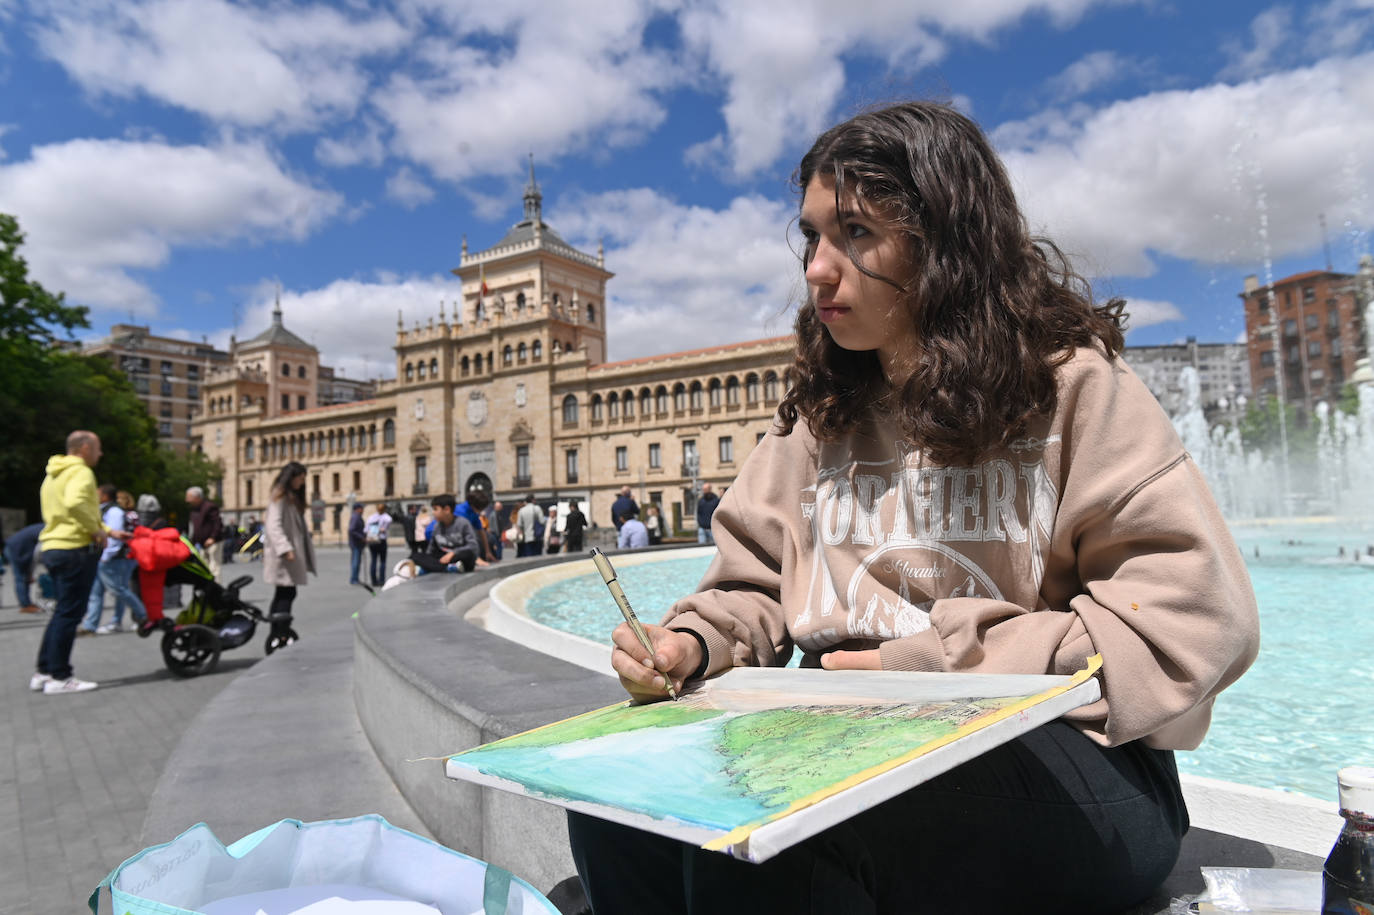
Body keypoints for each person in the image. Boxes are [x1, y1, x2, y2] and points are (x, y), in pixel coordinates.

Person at [570, 102, 1260, 914]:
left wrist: (943, 661)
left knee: (792, 824)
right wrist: (691, 640)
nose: (818, 269)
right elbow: (754, 587)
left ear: (946, 242)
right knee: (619, 806)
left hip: (1069, 765)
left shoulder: (1072, 388)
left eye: (857, 234)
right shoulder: (818, 415)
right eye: (813, 237)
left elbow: (1198, 620)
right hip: (846, 733)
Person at [32, 430, 108, 694]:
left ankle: (43, 671)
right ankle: (60, 677)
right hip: (75, 548)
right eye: (98, 448)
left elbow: (65, 510)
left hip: (53, 546)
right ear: (84, 448)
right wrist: (96, 531)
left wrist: (106, 529)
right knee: (71, 612)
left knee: (62, 611)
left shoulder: (53, 474)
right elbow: (76, 504)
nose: (100, 454)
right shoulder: (81, 472)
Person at [261, 461, 315, 645]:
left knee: (284, 592)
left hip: (287, 553)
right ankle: (279, 632)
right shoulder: (280, 495)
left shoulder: (289, 496)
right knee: (286, 593)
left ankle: (278, 630)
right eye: (300, 478)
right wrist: (285, 549)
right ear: (291, 477)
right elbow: (273, 525)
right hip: (284, 555)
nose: (302, 482)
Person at [81, 484, 144, 634]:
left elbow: (115, 537)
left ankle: (143, 616)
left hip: (113, 559)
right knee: (96, 592)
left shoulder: (114, 511)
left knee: (119, 590)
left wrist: (105, 557)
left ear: (104, 496)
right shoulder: (105, 510)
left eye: (97, 493)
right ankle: (91, 625)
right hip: (104, 557)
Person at [413, 494, 484, 573]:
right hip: (443, 557)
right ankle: (448, 568)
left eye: (435, 509)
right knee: (415, 556)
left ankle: (433, 568)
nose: (433, 513)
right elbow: (431, 549)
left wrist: (453, 553)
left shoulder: (463, 523)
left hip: (458, 556)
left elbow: (473, 546)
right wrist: (426, 558)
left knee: (468, 555)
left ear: (447, 510)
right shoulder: (437, 526)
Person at [185, 486, 224, 582]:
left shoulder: (209, 507)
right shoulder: (193, 510)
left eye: (189, 497)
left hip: (213, 542)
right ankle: (208, 589)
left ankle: (216, 590)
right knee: (204, 566)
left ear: (197, 497)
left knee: (214, 566)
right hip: (201, 543)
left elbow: (217, 523)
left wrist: (212, 537)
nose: (187, 500)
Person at [5, 522, 45, 614]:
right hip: (15, 549)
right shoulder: (47, 531)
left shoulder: (46, 527)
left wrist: (30, 573)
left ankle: (27, 603)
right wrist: (30, 573)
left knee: (23, 577)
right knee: (21, 577)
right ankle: (25, 605)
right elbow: (36, 554)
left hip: (17, 547)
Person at [457, 489, 497, 564]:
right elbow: (462, 538)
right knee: (475, 539)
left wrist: (487, 552)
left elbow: (481, 532)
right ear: (473, 506)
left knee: (490, 538)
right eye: (481, 508)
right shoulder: (461, 512)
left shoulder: (473, 512)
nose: (481, 511)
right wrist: (476, 559)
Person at [365, 502, 392, 588]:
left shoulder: (371, 518)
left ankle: (374, 580)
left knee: (373, 560)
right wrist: (381, 529)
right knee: (382, 561)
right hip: (381, 540)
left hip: (373, 540)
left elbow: (366, 530)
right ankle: (381, 580)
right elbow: (386, 526)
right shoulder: (387, 518)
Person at [347, 503, 367, 587]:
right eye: (361, 508)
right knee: (356, 561)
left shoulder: (357, 516)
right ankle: (354, 578)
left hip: (357, 543)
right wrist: (361, 537)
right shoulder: (355, 517)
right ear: (357, 509)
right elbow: (351, 530)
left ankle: (355, 578)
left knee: (357, 561)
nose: (363, 510)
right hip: (356, 543)